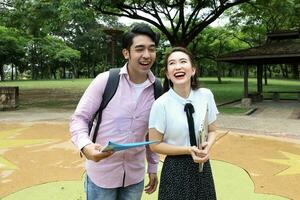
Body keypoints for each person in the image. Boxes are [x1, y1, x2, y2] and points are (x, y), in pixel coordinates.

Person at [69, 23, 160, 200]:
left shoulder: (157, 88)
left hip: (135, 175)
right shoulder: (105, 81)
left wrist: (153, 167)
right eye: (139, 49)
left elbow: (153, 133)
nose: (147, 55)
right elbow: (79, 119)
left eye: (152, 49)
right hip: (101, 174)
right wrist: (86, 146)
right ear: (126, 53)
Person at [148, 47, 218, 200]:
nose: (178, 66)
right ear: (167, 73)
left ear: (193, 70)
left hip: (202, 166)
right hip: (175, 170)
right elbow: (154, 144)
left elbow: (212, 130)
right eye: (172, 63)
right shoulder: (160, 104)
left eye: (183, 61)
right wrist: (187, 150)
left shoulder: (206, 95)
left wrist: (207, 146)